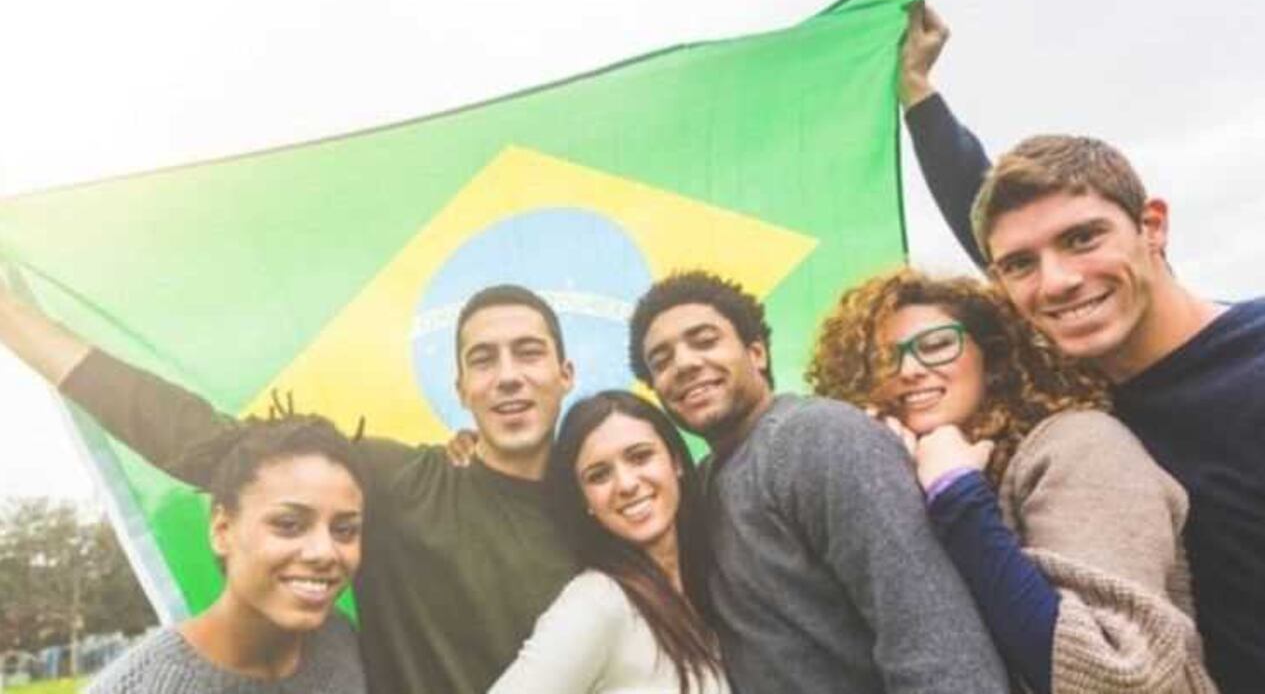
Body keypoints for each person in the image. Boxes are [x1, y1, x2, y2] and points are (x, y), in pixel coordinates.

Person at [897, 3, 1265, 690]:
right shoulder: (1075, 365)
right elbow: (988, 217)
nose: (1058, 281)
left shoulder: (1264, 369)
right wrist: (918, 97)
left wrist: (959, 499)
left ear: (1152, 226)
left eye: (1083, 239)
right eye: (1020, 265)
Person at [0, 280, 577, 693]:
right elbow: (192, 435)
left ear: (565, 374)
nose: (508, 376)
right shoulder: (396, 481)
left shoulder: (605, 513)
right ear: (461, 388)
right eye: (483, 360)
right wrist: (10, 316)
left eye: (528, 354)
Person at [807, 268, 1216, 693]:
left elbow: (1113, 675)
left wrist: (958, 492)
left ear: (992, 357)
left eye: (937, 345)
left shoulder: (1080, 445)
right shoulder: (902, 477)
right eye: (882, 359)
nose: (909, 369)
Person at [626, 269, 1009, 694]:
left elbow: (933, 636)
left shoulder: (821, 437)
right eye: (661, 361)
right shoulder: (699, 487)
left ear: (756, 353)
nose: (684, 363)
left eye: (704, 340)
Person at [88, 414, 367, 693]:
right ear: (222, 530)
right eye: (288, 524)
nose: (324, 552)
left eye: (344, 530)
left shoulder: (340, 642)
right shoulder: (137, 688)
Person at [489, 391, 729, 693]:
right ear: (585, 501)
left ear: (676, 462)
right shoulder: (597, 603)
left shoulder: (702, 591)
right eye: (599, 475)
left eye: (640, 457)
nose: (626, 484)